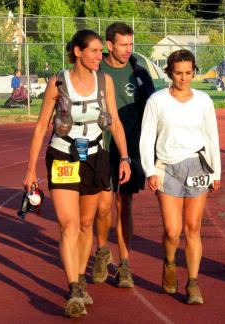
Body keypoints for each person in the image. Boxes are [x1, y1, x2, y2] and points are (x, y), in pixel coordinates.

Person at [23, 29, 131, 318]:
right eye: (95, 51)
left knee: (86, 224)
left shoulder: (104, 81)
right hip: (63, 156)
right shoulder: (58, 82)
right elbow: (40, 127)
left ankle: (81, 278)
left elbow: (116, 123)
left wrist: (124, 158)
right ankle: (73, 290)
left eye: (101, 51)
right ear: (78, 52)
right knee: (69, 225)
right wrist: (30, 169)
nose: (100, 56)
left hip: (96, 157)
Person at [140, 49, 221, 305]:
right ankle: (170, 261)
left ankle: (194, 283)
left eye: (188, 73)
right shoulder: (157, 100)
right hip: (167, 168)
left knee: (193, 228)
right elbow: (147, 137)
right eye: (178, 73)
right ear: (169, 73)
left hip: (198, 166)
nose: (184, 78)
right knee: (172, 231)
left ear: (194, 72)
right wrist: (150, 170)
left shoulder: (204, 101)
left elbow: (212, 137)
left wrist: (216, 171)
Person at [91, 22, 155, 288]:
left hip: (130, 149)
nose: (129, 49)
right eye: (123, 44)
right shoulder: (96, 70)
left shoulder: (138, 73)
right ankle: (103, 251)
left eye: (131, 44)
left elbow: (153, 111)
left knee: (124, 205)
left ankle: (125, 264)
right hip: (102, 148)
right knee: (103, 205)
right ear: (109, 45)